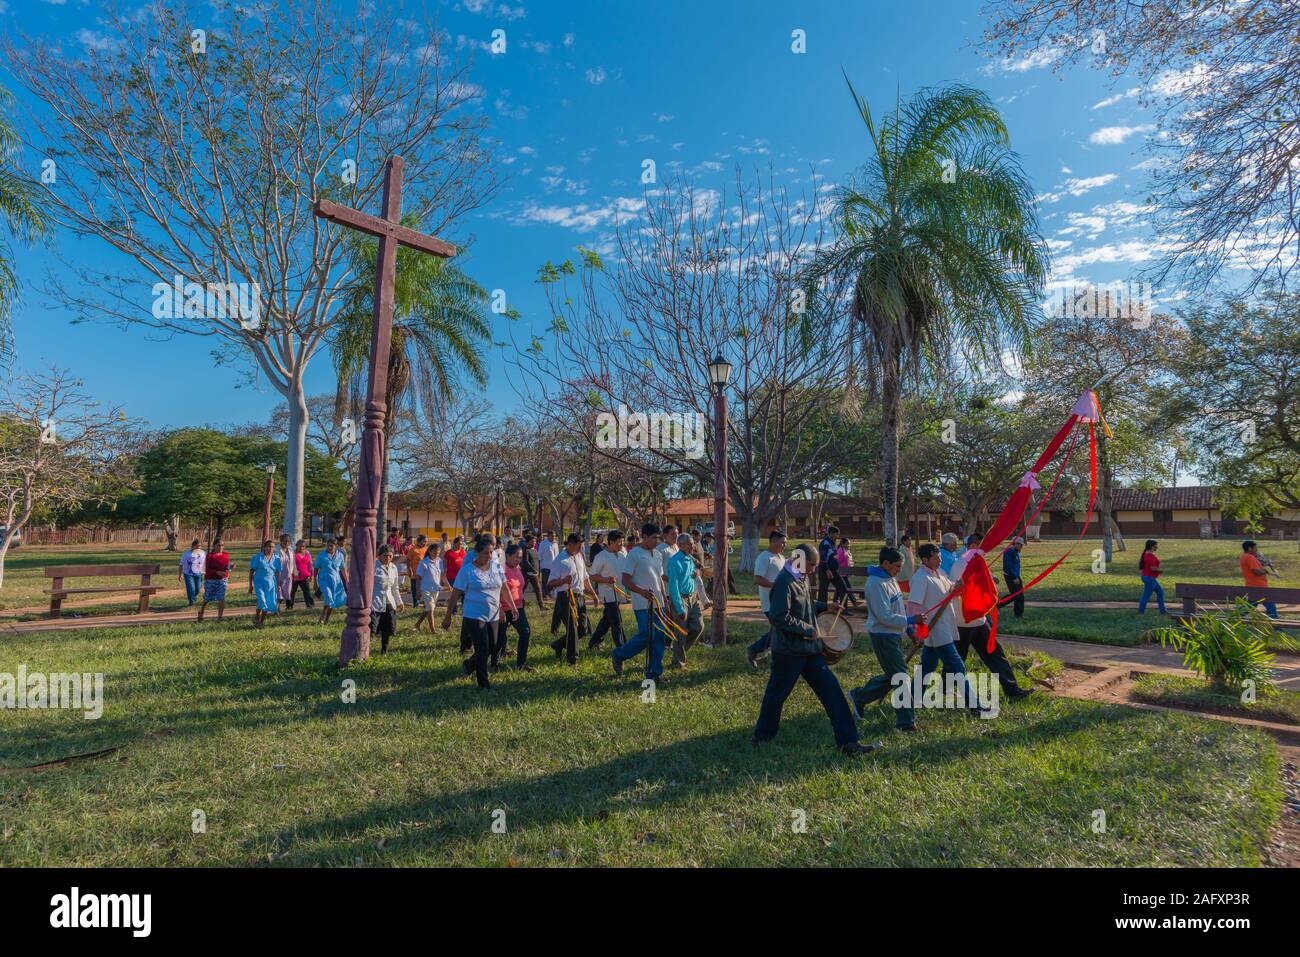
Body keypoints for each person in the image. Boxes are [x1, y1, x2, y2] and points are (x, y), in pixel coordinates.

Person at [752, 543, 874, 756]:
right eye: (812, 564)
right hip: (789, 652)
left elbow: (805, 605)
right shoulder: (784, 582)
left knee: (833, 693)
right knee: (776, 695)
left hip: (810, 650)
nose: (813, 569)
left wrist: (826, 606)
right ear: (799, 559)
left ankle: (849, 743)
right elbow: (779, 617)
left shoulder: (801, 577)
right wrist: (808, 629)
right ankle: (762, 737)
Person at [849, 547, 927, 732]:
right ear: (885, 564)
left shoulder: (890, 579)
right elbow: (884, 616)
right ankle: (906, 724)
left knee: (894, 675)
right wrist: (910, 620)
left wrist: (910, 630)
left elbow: (898, 609)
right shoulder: (875, 584)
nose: (900, 570)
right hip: (883, 636)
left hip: (894, 635)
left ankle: (859, 696)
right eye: (897, 566)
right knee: (901, 677)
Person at [906, 544, 985, 716]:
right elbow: (913, 608)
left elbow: (950, 590)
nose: (939, 559)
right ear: (925, 560)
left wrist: (958, 587)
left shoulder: (940, 573)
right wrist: (915, 632)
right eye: (936, 557)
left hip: (944, 625)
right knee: (957, 665)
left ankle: (910, 699)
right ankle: (976, 705)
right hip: (936, 629)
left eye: (940, 556)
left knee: (928, 666)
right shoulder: (920, 578)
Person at [950, 546, 1032, 700]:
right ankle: (945, 692)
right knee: (955, 661)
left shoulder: (976, 564)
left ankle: (1012, 691)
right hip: (961, 625)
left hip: (980, 622)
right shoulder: (958, 568)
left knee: (996, 656)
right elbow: (951, 590)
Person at [443, 536, 512, 690]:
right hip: (473, 614)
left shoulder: (496, 567)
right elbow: (455, 594)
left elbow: (503, 588)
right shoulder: (467, 570)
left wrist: (510, 607)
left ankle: (469, 665)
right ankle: (483, 683)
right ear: (476, 553)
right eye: (486, 553)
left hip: (493, 613)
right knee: (482, 647)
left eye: (491, 552)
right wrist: (448, 616)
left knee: (493, 647)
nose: (489, 556)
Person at [612, 523, 669, 681]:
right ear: (644, 537)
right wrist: (642, 592)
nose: (656, 541)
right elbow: (625, 580)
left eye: (658, 538)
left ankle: (654, 673)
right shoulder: (634, 554)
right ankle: (618, 655)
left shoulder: (657, 554)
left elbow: (659, 579)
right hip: (642, 604)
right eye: (653, 538)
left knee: (659, 637)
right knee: (646, 635)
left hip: (659, 604)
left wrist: (665, 600)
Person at [548, 533, 594, 664]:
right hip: (566, 597)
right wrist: (563, 580)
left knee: (583, 629)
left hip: (579, 596)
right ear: (570, 544)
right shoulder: (560, 560)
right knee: (572, 628)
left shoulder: (579, 556)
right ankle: (573, 659)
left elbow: (585, 578)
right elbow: (550, 583)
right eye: (578, 547)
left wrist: (593, 594)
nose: (580, 550)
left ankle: (558, 644)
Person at [748, 530, 787, 667]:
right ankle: (755, 650)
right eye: (782, 542)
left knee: (779, 630)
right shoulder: (764, 558)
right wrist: (776, 586)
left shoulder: (781, 558)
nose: (784, 545)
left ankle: (761, 653)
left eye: (785, 543)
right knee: (780, 630)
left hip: (782, 602)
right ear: (773, 541)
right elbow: (757, 579)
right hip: (770, 604)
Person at [666, 532, 704, 668]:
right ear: (681, 545)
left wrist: (695, 574)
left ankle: (679, 653)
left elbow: (692, 575)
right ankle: (678, 662)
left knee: (698, 626)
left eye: (692, 543)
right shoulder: (675, 561)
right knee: (681, 632)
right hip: (680, 599)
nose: (692, 546)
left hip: (693, 597)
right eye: (689, 544)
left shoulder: (690, 559)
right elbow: (673, 586)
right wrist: (679, 607)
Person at [589, 529, 628, 649]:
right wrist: (607, 580)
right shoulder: (601, 556)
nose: (621, 545)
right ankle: (623, 647)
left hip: (620, 593)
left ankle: (593, 642)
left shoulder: (623, 553)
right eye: (619, 542)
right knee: (616, 621)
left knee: (607, 620)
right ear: (611, 542)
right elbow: (593, 576)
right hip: (608, 594)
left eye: (622, 542)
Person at [495, 544, 532, 670]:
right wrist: (499, 608)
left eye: (520, 557)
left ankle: (521, 663)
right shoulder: (501, 570)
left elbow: (519, 586)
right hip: (503, 610)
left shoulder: (518, 568)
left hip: (518, 608)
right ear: (508, 556)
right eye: (516, 557)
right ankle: (494, 663)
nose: (518, 560)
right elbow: (496, 592)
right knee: (499, 638)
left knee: (525, 632)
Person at [370, 544, 404, 653]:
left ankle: (384, 651)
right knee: (372, 629)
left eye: (390, 556)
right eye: (385, 556)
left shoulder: (393, 567)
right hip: (375, 600)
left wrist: (399, 602)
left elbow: (395, 587)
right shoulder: (373, 566)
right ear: (379, 556)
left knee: (387, 629)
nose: (388, 558)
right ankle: (364, 652)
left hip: (389, 601)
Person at [1241, 540, 1280, 618]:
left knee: (1249, 606)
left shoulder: (1244, 556)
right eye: (1255, 548)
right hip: (1258, 587)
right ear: (1249, 548)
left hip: (1253, 586)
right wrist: (1267, 571)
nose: (1257, 550)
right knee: (1271, 606)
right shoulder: (1249, 557)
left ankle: (1233, 618)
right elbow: (1256, 572)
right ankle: (1276, 627)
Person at [249, 540, 281, 629]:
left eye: (272, 547)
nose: (270, 549)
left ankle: (261, 622)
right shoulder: (258, 557)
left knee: (267, 602)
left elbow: (277, 573)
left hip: (271, 583)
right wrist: (250, 585)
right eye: (268, 546)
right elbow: (252, 571)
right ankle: (256, 617)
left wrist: (278, 584)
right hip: (259, 582)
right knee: (262, 600)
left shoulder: (276, 558)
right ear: (264, 547)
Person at [414, 542, 445, 634]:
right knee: (431, 609)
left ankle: (417, 624)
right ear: (430, 551)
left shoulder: (440, 561)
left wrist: (448, 585)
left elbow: (442, 575)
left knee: (428, 608)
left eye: (438, 553)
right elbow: (418, 578)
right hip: (425, 589)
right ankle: (433, 630)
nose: (436, 554)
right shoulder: (423, 562)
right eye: (435, 552)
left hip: (436, 589)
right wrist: (418, 591)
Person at [315, 538, 348, 624]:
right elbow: (316, 568)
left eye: (331, 546)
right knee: (329, 598)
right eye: (328, 545)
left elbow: (343, 569)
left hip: (336, 581)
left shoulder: (340, 555)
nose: (329, 547)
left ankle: (326, 619)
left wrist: (347, 580)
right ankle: (322, 616)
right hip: (324, 580)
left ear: (336, 546)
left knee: (332, 600)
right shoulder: (321, 555)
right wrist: (315, 582)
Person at [197, 538, 231, 622]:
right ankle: (201, 612)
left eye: (222, 545)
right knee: (207, 598)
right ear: (214, 546)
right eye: (218, 545)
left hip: (222, 580)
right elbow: (206, 569)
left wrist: (231, 567)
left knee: (221, 598)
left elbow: (227, 567)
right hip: (211, 580)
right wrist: (217, 572)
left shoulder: (226, 555)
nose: (220, 547)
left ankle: (220, 617)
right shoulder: (209, 556)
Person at [1137, 539, 1168, 616]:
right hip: (1149, 578)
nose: (1157, 547)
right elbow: (1153, 568)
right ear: (1152, 546)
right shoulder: (1150, 556)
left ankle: (1163, 611)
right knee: (1146, 595)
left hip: (1147, 577)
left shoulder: (1145, 554)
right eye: (1156, 545)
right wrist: (1160, 570)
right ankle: (1141, 612)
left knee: (1160, 592)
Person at [1001, 536, 1026, 618]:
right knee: (1016, 595)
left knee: (1018, 595)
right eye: (1021, 545)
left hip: (1016, 576)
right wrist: (1014, 577)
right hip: (1011, 576)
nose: (1021, 547)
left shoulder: (1015, 551)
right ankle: (996, 606)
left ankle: (1019, 614)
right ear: (1015, 543)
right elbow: (1007, 566)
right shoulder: (1009, 551)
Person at [520, 532, 546, 609]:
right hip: (527, 573)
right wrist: (533, 570)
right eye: (533, 541)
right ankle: (519, 603)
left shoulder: (534, 550)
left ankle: (541, 606)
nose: (534, 542)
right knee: (521, 590)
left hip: (535, 573)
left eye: (535, 541)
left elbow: (537, 561)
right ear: (528, 542)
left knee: (538, 589)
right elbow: (525, 562)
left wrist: (538, 570)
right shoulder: (525, 550)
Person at [288, 539, 314, 608]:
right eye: (299, 546)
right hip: (295, 576)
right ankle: (289, 606)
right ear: (296, 546)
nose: (301, 548)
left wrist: (310, 575)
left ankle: (310, 605)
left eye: (303, 546)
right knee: (292, 592)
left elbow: (310, 565)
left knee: (307, 592)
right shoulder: (292, 553)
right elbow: (290, 565)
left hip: (305, 576)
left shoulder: (307, 553)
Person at [179, 538, 205, 606]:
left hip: (199, 574)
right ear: (193, 546)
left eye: (200, 546)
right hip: (188, 574)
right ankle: (191, 601)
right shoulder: (187, 554)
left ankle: (192, 596)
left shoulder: (202, 553)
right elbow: (181, 565)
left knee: (198, 589)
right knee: (191, 588)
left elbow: (204, 563)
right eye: (197, 546)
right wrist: (180, 574)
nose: (199, 548)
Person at [816, 525, 839, 603]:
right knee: (823, 592)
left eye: (838, 534)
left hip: (834, 570)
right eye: (836, 534)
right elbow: (823, 558)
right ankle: (821, 610)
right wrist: (827, 569)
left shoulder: (833, 543)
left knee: (842, 588)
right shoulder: (825, 543)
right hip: (825, 571)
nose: (837, 536)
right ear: (831, 534)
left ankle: (843, 609)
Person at [405, 534, 429, 607]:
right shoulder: (413, 549)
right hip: (415, 573)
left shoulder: (427, 549)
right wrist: (410, 570)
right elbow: (408, 561)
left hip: (425, 574)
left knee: (425, 589)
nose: (425, 543)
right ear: (419, 541)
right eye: (424, 541)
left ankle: (426, 603)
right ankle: (416, 604)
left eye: (426, 542)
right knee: (415, 589)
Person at [275, 534, 294, 609]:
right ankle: (277, 609)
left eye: (288, 541)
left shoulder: (291, 549)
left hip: (288, 575)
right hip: (278, 574)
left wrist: (294, 572)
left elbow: (293, 562)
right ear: (280, 541)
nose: (286, 542)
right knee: (279, 593)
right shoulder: (276, 549)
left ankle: (277, 608)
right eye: (284, 541)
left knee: (286, 593)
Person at [538, 531, 558, 596]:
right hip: (545, 566)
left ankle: (548, 593)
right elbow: (539, 555)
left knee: (552, 581)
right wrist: (539, 566)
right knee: (545, 582)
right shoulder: (543, 544)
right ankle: (544, 594)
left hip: (554, 567)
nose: (553, 537)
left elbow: (557, 556)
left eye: (554, 536)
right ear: (548, 536)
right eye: (552, 536)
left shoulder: (555, 544)